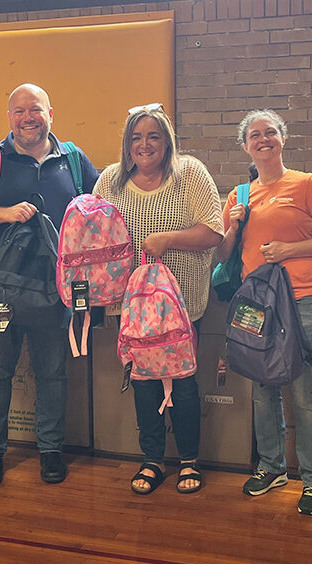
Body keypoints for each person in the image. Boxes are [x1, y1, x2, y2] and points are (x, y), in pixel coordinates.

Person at [0, 83, 99, 488]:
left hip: (56, 290)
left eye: (36, 110)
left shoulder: (74, 159)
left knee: (52, 372)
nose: (28, 117)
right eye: (19, 111)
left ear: (52, 113)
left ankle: (51, 451)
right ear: (9, 116)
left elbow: (99, 210)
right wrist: (4, 213)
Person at [218, 109, 312, 515]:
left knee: (303, 394)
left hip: (302, 299)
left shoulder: (307, 184)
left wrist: (291, 250)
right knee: (261, 387)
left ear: (282, 139)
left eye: (270, 132)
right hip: (255, 303)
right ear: (245, 146)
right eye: (254, 135)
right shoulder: (239, 195)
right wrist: (232, 228)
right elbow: (223, 255)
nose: (263, 139)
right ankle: (272, 467)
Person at [94, 103, 223, 494]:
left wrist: (168, 240)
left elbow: (214, 231)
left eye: (153, 136)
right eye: (136, 137)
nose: (144, 144)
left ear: (167, 141)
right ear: (126, 143)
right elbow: (95, 232)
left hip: (180, 303)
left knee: (183, 381)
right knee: (143, 380)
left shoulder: (190, 174)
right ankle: (152, 459)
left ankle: (188, 459)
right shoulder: (111, 180)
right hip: (130, 303)